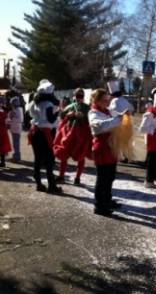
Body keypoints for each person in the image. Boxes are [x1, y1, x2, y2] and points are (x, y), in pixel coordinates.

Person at [88, 88, 128, 216]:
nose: (107, 102)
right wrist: (118, 119)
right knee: (102, 178)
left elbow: (118, 114)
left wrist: (125, 114)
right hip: (102, 147)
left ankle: (107, 200)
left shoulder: (107, 111)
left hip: (111, 147)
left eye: (108, 99)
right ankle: (99, 206)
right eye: (104, 100)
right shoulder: (93, 113)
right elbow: (99, 126)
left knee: (110, 176)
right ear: (97, 100)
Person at [28, 79, 61, 193]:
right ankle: (52, 185)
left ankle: (38, 183)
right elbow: (51, 119)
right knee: (49, 159)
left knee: (38, 159)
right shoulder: (48, 104)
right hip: (45, 133)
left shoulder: (34, 102)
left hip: (35, 132)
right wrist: (58, 112)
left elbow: (31, 115)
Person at [53, 88, 92, 185]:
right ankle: (61, 176)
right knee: (64, 154)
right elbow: (62, 117)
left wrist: (83, 117)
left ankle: (77, 178)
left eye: (81, 96)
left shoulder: (87, 108)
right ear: (74, 96)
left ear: (83, 97)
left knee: (81, 155)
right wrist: (68, 116)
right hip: (68, 133)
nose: (79, 98)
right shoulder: (69, 106)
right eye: (78, 95)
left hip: (81, 135)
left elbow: (91, 122)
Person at [139, 92, 156, 188]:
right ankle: (148, 180)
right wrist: (155, 130)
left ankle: (155, 179)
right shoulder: (149, 114)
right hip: (152, 141)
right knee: (152, 162)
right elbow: (142, 128)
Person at [8, 96, 24, 163]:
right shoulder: (14, 110)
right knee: (15, 144)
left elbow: (20, 120)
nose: (11, 105)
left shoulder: (19, 110)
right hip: (14, 128)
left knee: (16, 144)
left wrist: (11, 118)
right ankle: (15, 156)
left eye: (12, 104)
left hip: (16, 129)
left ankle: (17, 158)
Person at [0, 96, 12, 167]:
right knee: (3, 146)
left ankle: (2, 162)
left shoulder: (3, 111)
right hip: (3, 130)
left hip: (2, 129)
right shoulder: (5, 111)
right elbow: (8, 122)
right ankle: (3, 161)